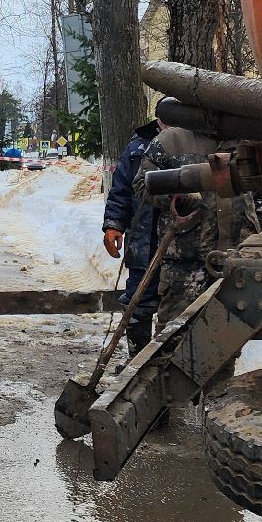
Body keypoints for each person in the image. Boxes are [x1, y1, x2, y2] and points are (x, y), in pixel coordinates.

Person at [134, 125, 259, 327]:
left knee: (230, 335)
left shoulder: (247, 139)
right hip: (186, 264)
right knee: (175, 337)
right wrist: (174, 198)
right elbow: (142, 183)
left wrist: (259, 236)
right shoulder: (170, 141)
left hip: (237, 257)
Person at [102, 117, 162, 353]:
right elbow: (121, 191)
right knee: (137, 302)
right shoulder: (139, 145)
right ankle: (136, 362)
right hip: (143, 239)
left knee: (178, 307)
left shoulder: (194, 140)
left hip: (182, 243)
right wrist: (113, 224)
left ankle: (169, 365)